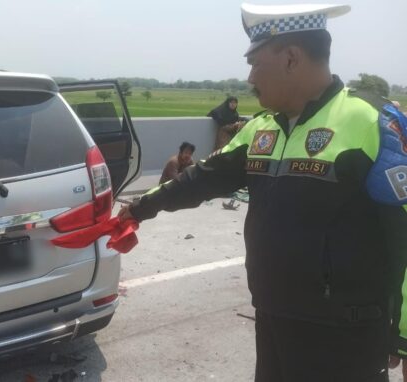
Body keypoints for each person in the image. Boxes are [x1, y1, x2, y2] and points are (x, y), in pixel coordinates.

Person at [119, 3, 407, 381]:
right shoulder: (261, 129)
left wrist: (403, 334)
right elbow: (202, 178)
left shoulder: (371, 121)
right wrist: (138, 209)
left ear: (291, 58)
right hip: (273, 319)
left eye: (256, 62)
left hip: (344, 336)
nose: (250, 76)